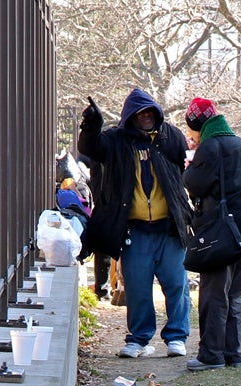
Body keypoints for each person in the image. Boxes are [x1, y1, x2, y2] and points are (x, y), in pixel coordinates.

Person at [77, 88, 193, 359]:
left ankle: (177, 336)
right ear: (130, 116)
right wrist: (92, 125)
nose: (147, 117)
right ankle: (138, 339)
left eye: (151, 112)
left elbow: (182, 171)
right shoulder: (116, 140)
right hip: (135, 230)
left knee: (177, 284)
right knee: (137, 287)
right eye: (141, 114)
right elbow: (90, 148)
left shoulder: (170, 136)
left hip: (169, 228)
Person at [182, 98, 241, 371]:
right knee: (234, 295)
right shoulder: (240, 144)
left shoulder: (210, 147)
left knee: (214, 295)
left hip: (220, 232)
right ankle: (234, 353)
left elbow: (194, 183)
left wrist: (190, 165)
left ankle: (211, 355)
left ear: (196, 125)